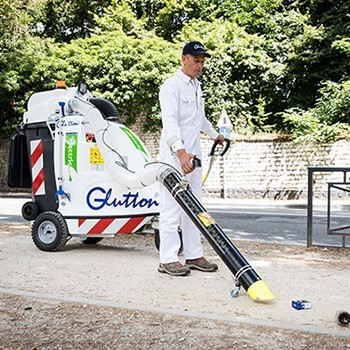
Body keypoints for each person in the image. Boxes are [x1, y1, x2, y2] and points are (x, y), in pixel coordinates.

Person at [158, 41, 225, 276]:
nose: (200, 65)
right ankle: (167, 259)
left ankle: (193, 255)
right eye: (196, 60)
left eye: (202, 61)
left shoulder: (196, 87)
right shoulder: (171, 87)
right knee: (171, 208)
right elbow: (171, 123)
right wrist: (180, 152)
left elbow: (200, 119)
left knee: (195, 208)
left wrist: (216, 135)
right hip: (174, 159)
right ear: (183, 58)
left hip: (193, 158)